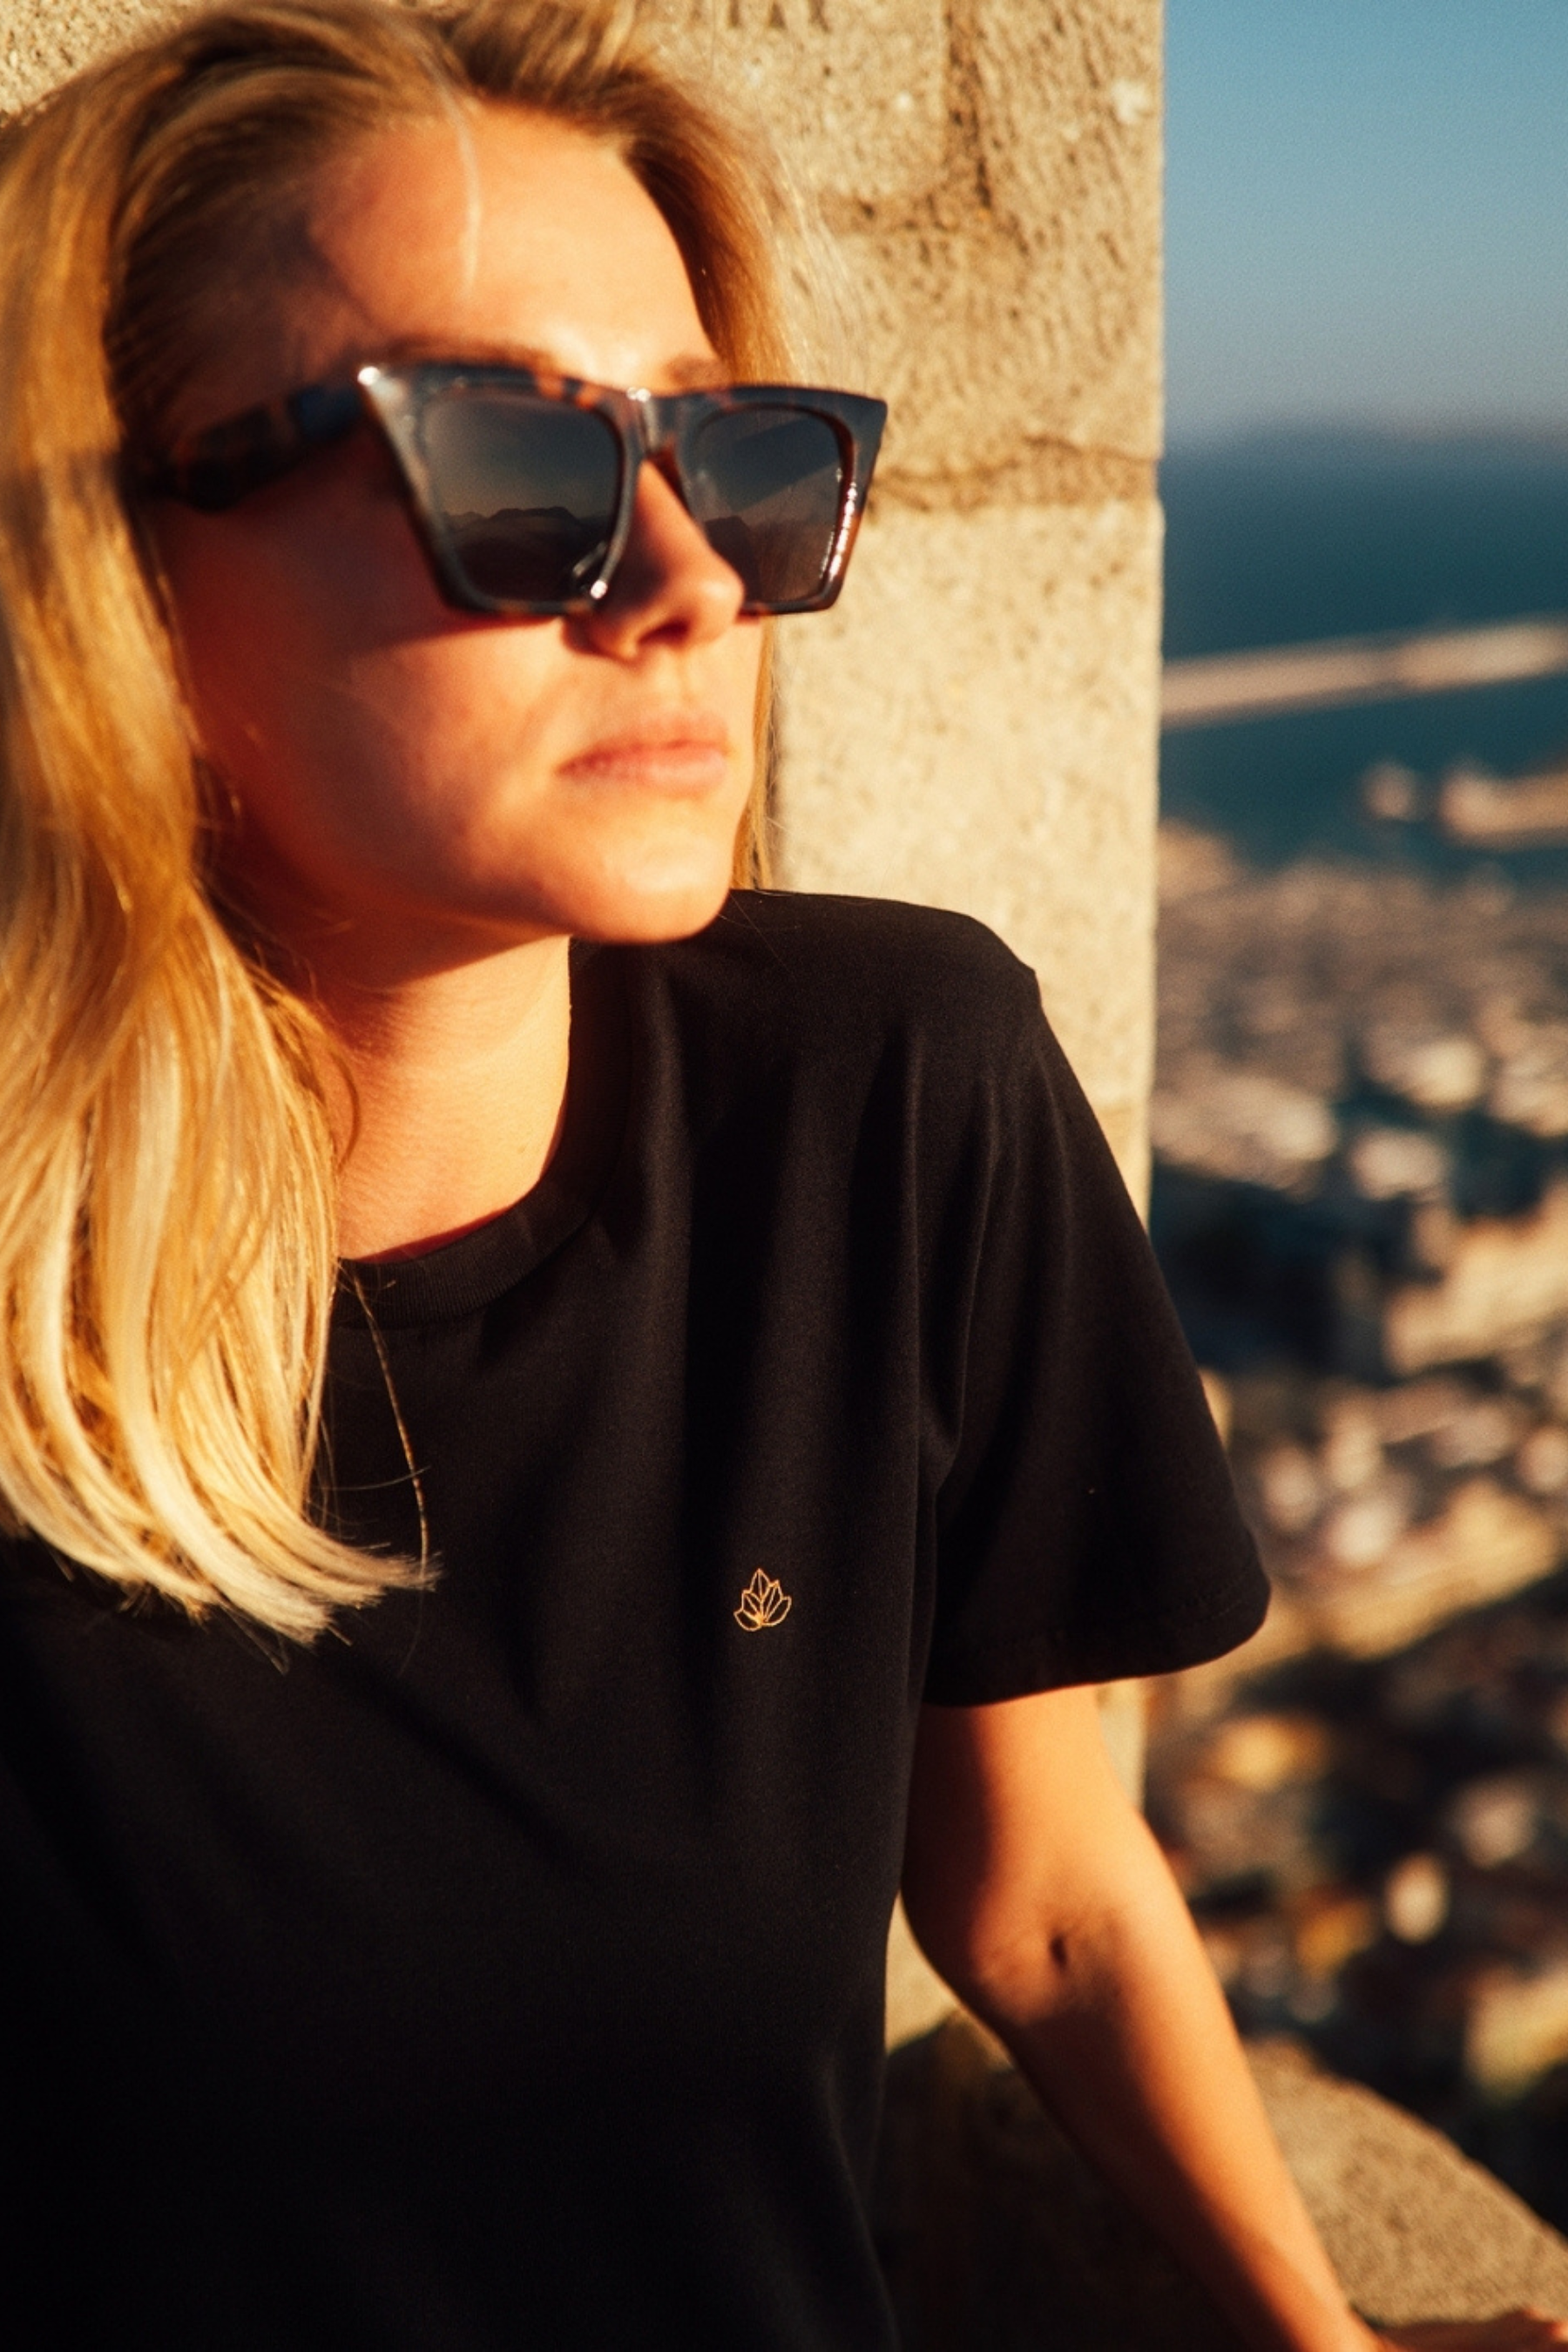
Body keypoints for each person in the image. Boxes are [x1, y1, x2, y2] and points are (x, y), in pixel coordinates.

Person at [0, 3, 1560, 2345]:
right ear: (120, 567)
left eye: (725, 461)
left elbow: (1044, 1893)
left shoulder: (885, 1098)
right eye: (511, 462)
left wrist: (1312, 2333)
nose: (690, 581)